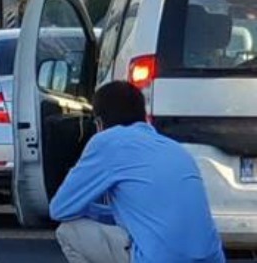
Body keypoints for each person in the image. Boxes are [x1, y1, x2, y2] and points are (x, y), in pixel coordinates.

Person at [50, 81, 225, 263]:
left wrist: (94, 211)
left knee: (68, 231)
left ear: (99, 122)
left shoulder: (107, 141)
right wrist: (114, 212)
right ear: (144, 116)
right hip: (212, 258)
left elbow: (60, 209)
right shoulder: (175, 148)